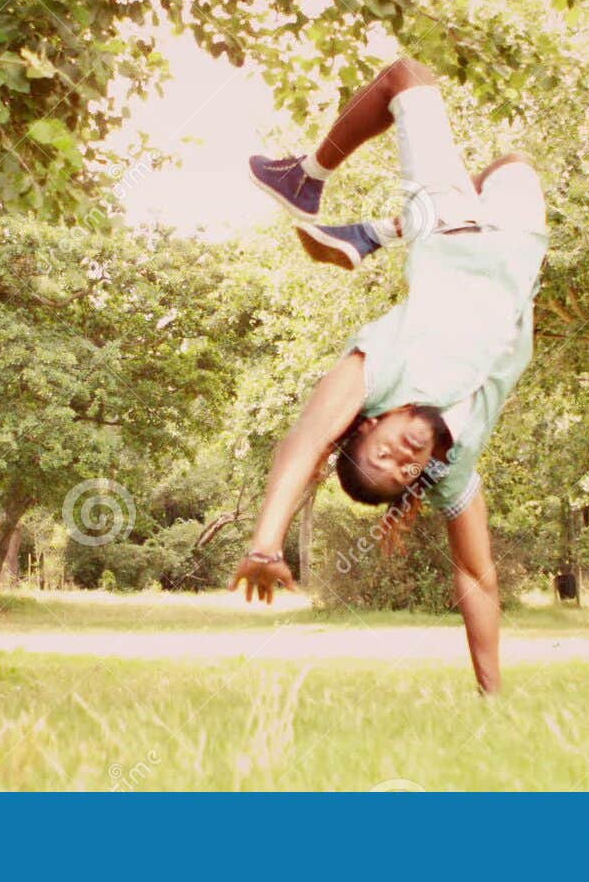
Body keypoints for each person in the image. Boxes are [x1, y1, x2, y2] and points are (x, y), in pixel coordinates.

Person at [231, 57, 549, 695]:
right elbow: (478, 577)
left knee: (407, 76)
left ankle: (306, 180)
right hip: (519, 240)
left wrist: (267, 542)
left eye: (382, 451)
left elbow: (306, 441)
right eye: (404, 473)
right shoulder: (453, 462)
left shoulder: (383, 369)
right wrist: (494, 699)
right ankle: (373, 232)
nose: (405, 459)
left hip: (448, 224)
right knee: (512, 165)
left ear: (373, 420)